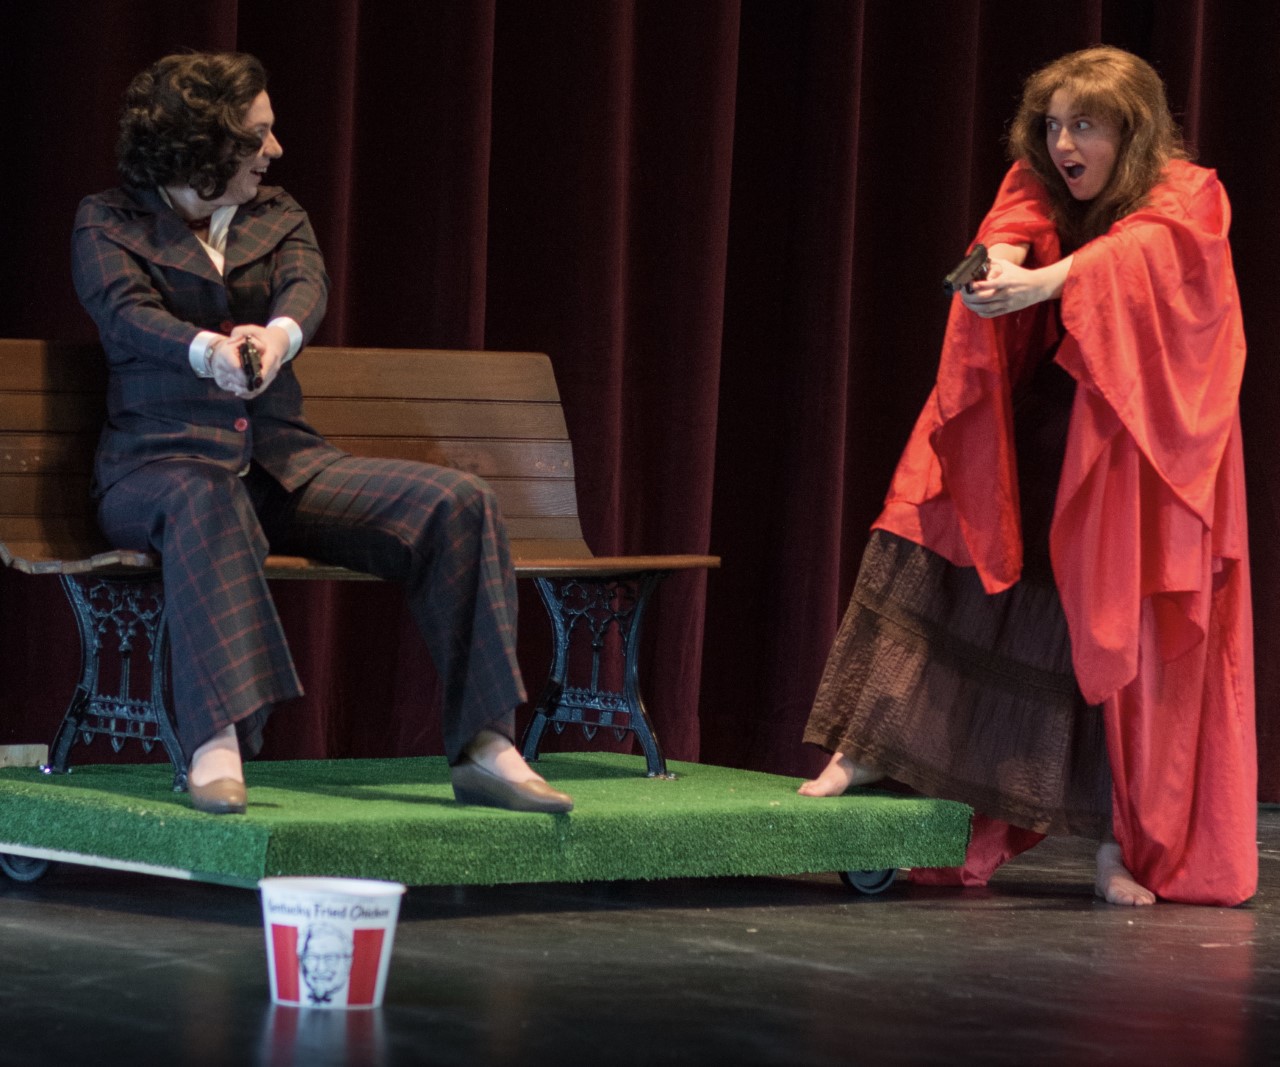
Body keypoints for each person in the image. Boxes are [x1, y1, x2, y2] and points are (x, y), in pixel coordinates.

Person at [798, 45, 1255, 907]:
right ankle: (867, 751)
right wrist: (1000, 265)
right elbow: (1008, 230)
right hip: (1027, 429)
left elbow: (1147, 257)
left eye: (1084, 125)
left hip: (1126, 455)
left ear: (1133, 131)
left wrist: (1045, 281)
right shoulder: (1038, 181)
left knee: (1114, 640)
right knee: (937, 550)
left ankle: (1122, 847)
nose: (1063, 144)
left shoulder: (1188, 193)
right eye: (1052, 125)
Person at [71, 51, 572, 816]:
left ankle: (486, 746)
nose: (274, 150)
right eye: (257, 135)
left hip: (282, 467)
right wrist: (208, 352)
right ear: (203, 143)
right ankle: (215, 742)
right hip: (160, 469)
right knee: (208, 499)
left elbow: (307, 286)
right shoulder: (108, 220)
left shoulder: (278, 215)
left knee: (457, 503)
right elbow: (125, 314)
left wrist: (275, 339)